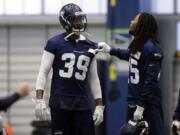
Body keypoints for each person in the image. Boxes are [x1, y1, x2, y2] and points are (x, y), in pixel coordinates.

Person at [34, 3, 104, 135]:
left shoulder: (90, 45)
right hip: (60, 103)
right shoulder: (54, 43)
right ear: (65, 21)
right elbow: (43, 71)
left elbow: (94, 78)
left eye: (80, 18)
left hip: (82, 103)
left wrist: (99, 106)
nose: (79, 22)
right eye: (75, 19)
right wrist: (39, 99)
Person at [98, 12, 164, 135]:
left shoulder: (152, 48)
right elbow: (128, 54)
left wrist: (141, 106)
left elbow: (151, 81)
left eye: (135, 20)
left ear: (142, 25)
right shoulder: (139, 45)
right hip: (134, 102)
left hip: (148, 105)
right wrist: (109, 50)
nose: (131, 22)